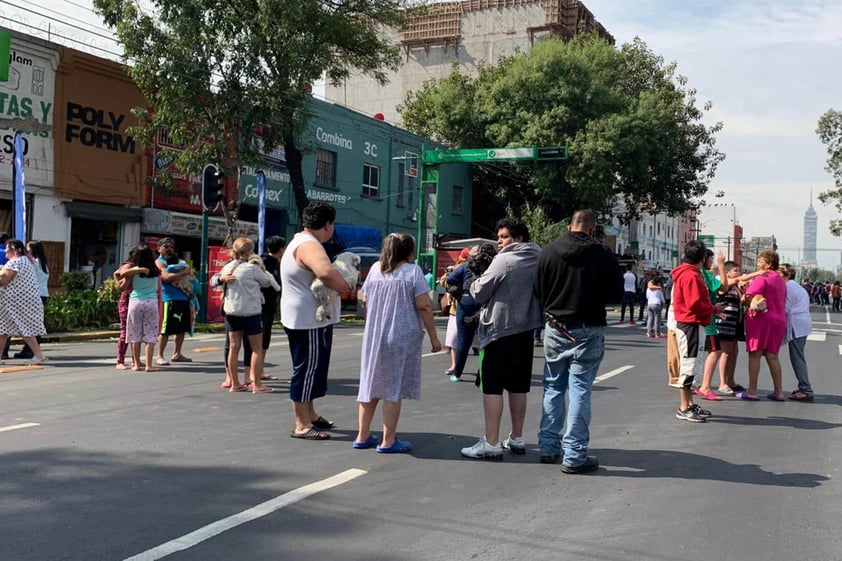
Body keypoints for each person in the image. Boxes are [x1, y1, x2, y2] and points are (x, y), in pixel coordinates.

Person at [534, 210, 623, 473]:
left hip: (554, 327)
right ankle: (574, 455)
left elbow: (538, 289)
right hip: (588, 327)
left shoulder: (548, 251)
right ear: (592, 229)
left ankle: (548, 447)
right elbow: (616, 294)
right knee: (580, 389)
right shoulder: (601, 254)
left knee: (552, 386)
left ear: (569, 224)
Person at [461, 218, 542, 460]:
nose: (499, 241)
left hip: (500, 329)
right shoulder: (539, 256)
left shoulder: (504, 259)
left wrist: (473, 279)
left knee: (493, 387)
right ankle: (517, 437)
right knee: (518, 386)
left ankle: (492, 442)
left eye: (504, 236)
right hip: (527, 328)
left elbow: (480, 291)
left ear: (518, 238)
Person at [354, 233, 441, 453]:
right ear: (409, 252)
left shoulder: (375, 270)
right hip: (400, 336)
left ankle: (362, 435)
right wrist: (433, 336)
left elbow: (365, 299)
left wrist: (374, 321)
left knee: (370, 384)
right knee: (392, 388)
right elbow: (424, 306)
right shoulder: (413, 272)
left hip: (374, 334)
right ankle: (388, 440)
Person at [281, 202, 354, 440]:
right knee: (306, 370)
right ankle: (302, 423)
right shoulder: (310, 245)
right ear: (327, 224)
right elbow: (325, 272)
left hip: (306, 318)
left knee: (312, 369)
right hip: (307, 320)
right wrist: (347, 286)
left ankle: (310, 414)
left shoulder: (300, 241)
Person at [219, 237, 281, 393]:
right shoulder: (251, 268)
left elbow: (215, 280)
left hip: (232, 312)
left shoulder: (228, 267)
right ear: (248, 252)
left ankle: (234, 383)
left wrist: (221, 279)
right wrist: (260, 267)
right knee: (256, 349)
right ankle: (257, 384)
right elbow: (269, 283)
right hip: (251, 312)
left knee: (233, 347)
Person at [671, 240, 724, 422]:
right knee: (690, 365)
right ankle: (684, 407)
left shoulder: (688, 273)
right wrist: (713, 308)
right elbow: (694, 303)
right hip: (690, 324)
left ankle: (690, 404)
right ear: (702, 258)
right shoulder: (692, 276)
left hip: (691, 323)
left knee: (693, 365)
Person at [739, 249, 787, 401]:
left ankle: (752, 390)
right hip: (778, 319)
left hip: (761, 319)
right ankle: (778, 392)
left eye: (760, 262)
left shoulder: (762, 276)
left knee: (755, 354)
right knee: (773, 356)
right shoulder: (780, 279)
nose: (758, 265)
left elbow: (749, 296)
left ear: (768, 263)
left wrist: (743, 288)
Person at [445, 243, 495, 382]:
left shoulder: (466, 265)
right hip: (486, 302)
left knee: (463, 341)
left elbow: (450, 279)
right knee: (485, 340)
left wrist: (460, 290)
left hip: (466, 301)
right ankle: (482, 373)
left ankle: (457, 373)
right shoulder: (493, 265)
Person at [241, 235, 286, 382]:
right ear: (281, 249)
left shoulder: (273, 262)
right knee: (257, 341)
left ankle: (259, 370)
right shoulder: (264, 263)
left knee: (265, 339)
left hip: (267, 305)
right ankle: (254, 373)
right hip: (261, 306)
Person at [0, 239, 48, 364]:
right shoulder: (26, 261)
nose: (5, 250)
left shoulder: (15, 262)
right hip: (21, 301)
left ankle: (38, 355)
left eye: (8, 248)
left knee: (25, 328)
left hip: (17, 303)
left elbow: (3, 280)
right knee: (2, 330)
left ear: (15, 250)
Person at [154, 238, 193, 365]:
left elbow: (190, 275)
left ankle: (177, 353)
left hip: (183, 297)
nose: (169, 249)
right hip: (168, 299)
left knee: (181, 328)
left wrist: (185, 273)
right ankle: (159, 355)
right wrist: (183, 273)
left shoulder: (178, 261)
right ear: (159, 248)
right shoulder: (159, 262)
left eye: (171, 247)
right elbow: (166, 278)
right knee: (165, 329)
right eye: (166, 246)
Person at [780, 263, 815, 402]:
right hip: (801, 324)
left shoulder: (788, 287)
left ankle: (806, 389)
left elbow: (785, 308)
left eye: (779, 274)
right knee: (798, 356)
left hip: (797, 324)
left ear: (786, 275)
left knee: (797, 358)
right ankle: (803, 387)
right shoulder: (796, 287)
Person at [124, 245, 161, 372]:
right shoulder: (156, 270)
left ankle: (136, 364)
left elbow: (122, 274)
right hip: (151, 302)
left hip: (136, 301)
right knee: (150, 334)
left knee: (135, 334)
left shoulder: (135, 270)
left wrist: (137, 270)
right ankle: (149, 365)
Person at [714, 260, 747, 396]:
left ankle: (731, 380)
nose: (738, 273)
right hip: (725, 324)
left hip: (735, 324)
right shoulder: (725, 284)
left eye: (739, 270)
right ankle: (723, 383)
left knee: (734, 352)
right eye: (735, 271)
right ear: (727, 273)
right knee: (726, 353)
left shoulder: (736, 287)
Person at [13, 240, 50, 359]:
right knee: (36, 322)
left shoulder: (35, 262)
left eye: (28, 248)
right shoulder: (44, 263)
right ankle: (33, 349)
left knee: (29, 324)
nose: (27, 250)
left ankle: (29, 350)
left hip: (35, 295)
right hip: (43, 294)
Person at [441, 248, 470, 376]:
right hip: (455, 308)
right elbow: (444, 281)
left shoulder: (476, 268)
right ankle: (454, 365)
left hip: (472, 308)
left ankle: (483, 369)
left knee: (478, 342)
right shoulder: (454, 268)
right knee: (453, 339)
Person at [113, 249, 137, 370]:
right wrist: (122, 284)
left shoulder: (138, 266)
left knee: (135, 332)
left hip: (135, 300)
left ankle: (135, 360)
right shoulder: (130, 265)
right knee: (126, 331)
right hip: (127, 299)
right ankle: (120, 360)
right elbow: (118, 274)